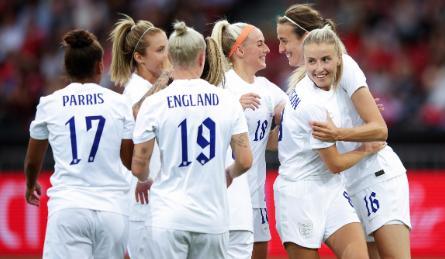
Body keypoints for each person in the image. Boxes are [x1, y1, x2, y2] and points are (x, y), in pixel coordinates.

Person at [276, 4, 411, 259]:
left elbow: (379, 129)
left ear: (306, 38)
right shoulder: (305, 85)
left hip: (374, 173)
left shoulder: (344, 64)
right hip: (347, 180)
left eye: (285, 41)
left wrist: (339, 133)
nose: (281, 48)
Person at [131, 21, 253, 259]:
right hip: (213, 219)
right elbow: (245, 160)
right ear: (202, 57)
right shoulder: (227, 100)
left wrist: (146, 178)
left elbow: (138, 166)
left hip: (169, 217)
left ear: (170, 56)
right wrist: (229, 173)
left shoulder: (154, 104)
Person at [24, 29, 134, 259]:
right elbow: (128, 159)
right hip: (112, 210)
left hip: (68, 208)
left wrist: (31, 183)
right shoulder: (119, 103)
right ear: (100, 67)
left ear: (67, 69)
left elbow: (33, 159)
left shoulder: (49, 103)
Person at [211, 19, 287, 259]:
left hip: (255, 194)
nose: (267, 49)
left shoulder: (268, 88)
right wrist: (231, 108)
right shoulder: (219, 86)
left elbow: (281, 131)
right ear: (241, 50)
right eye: (260, 44)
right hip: (224, 193)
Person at [109, 14, 169, 258]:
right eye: (160, 50)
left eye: (168, 47)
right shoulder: (135, 91)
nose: (168, 55)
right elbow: (138, 111)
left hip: (161, 196)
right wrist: (164, 81)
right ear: (139, 57)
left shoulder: (159, 88)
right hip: (143, 197)